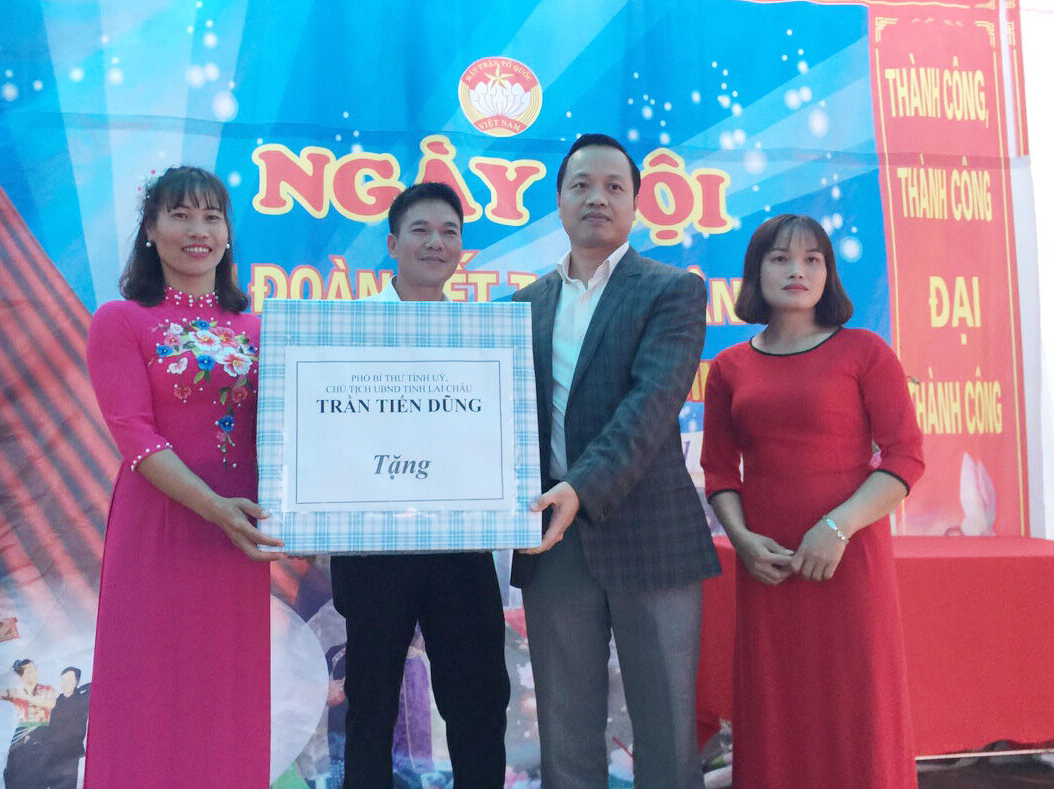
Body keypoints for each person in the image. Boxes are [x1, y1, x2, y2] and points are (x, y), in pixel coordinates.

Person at [511, 134, 719, 788]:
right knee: (565, 739)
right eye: (581, 185)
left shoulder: (672, 291)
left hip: (653, 539)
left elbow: (649, 407)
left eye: (612, 186)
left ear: (634, 203)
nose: (596, 198)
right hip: (551, 541)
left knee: (665, 736)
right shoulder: (521, 307)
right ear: (559, 202)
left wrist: (578, 487)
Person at [700, 214, 924, 788]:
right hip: (768, 567)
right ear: (756, 272)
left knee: (857, 703)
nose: (796, 270)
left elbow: (905, 458)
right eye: (780, 258)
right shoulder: (728, 367)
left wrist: (837, 528)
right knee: (777, 707)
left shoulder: (865, 352)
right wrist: (742, 541)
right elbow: (719, 470)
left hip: (850, 561)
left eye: (812, 259)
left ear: (828, 273)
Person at [84, 165, 284, 787]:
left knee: (225, 694)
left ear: (227, 234)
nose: (199, 231)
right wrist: (216, 507)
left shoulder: (259, 330)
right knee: (147, 690)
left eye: (212, 217)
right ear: (150, 229)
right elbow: (135, 435)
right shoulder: (121, 320)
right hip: (160, 530)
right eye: (181, 215)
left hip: (236, 541)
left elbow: (292, 433)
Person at [328, 182, 510, 788]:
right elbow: (326, 439)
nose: (437, 243)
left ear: (461, 249)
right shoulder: (347, 330)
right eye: (421, 230)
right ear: (391, 244)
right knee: (371, 708)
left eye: (449, 232)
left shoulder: (483, 336)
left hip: (461, 548)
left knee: (478, 704)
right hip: (374, 550)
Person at [0, 655, 56, 789]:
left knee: (38, 775)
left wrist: (26, 697)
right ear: (22, 676)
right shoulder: (17, 692)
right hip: (21, 734)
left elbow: (50, 704)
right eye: (30, 671)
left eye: (35, 669)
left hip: (41, 733)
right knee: (14, 773)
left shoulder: (47, 689)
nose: (34, 673)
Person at [45, 667, 90, 789]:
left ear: (76, 681)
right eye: (63, 680)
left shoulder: (82, 700)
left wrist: (81, 688)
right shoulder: (55, 702)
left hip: (70, 755)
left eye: (69, 680)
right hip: (52, 755)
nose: (65, 683)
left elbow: (97, 685)